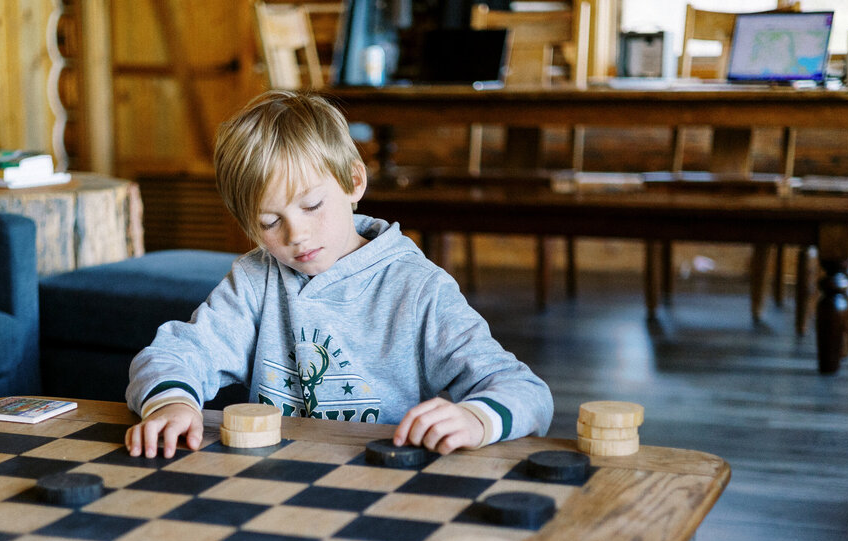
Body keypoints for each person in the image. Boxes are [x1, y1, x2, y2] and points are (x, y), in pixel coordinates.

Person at [125, 89, 552, 457]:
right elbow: (174, 353)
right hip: (273, 482)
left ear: (354, 182)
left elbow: (527, 392)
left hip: (385, 484)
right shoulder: (256, 279)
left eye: (312, 206)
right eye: (270, 222)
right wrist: (170, 403)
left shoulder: (418, 287)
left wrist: (475, 419)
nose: (297, 233)